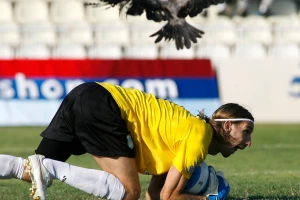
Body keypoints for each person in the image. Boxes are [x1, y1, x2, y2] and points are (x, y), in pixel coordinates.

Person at [0, 81, 254, 200]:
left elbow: (155, 194)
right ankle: (48, 168)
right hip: (104, 104)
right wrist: (209, 198)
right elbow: (168, 197)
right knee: (126, 192)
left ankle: (43, 167)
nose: (248, 142)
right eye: (246, 132)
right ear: (228, 126)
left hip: (87, 93)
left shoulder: (190, 136)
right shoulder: (199, 138)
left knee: (29, 171)